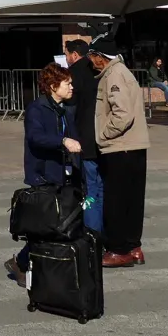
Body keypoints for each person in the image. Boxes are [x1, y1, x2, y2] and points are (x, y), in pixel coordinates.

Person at [4, 62, 80, 287]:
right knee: (45, 225)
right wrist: (63, 141)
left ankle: (48, 265)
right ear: (53, 86)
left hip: (65, 172)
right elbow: (36, 137)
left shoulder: (66, 108)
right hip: (43, 174)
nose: (71, 87)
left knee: (63, 223)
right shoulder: (37, 108)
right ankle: (21, 262)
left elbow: (75, 135)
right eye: (67, 83)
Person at [88, 34, 150, 268]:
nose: (90, 61)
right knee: (133, 200)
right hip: (134, 146)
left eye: (92, 56)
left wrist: (103, 134)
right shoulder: (123, 72)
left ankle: (117, 250)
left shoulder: (114, 74)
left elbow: (122, 114)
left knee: (116, 201)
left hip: (120, 147)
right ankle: (134, 246)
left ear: (100, 57)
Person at [64, 39, 103, 234]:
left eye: (66, 54)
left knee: (89, 188)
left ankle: (91, 232)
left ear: (74, 54)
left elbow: (70, 110)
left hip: (84, 138)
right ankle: (101, 230)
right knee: (100, 187)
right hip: (102, 137)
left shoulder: (74, 74)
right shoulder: (99, 71)